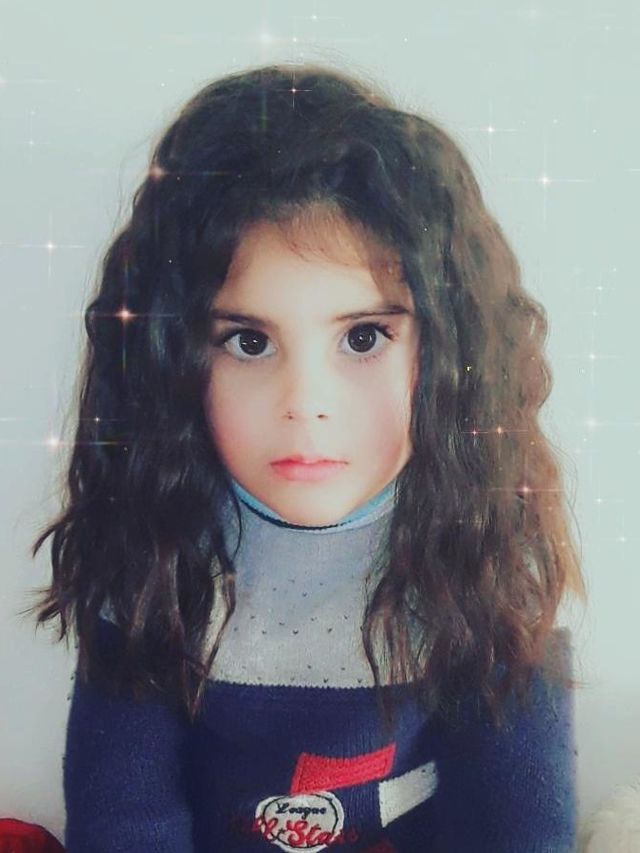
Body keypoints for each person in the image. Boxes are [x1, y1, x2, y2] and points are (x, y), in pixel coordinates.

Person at [23, 61, 587, 852]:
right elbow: (125, 819)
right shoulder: (152, 554)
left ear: (451, 351)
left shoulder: (489, 555)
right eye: (248, 342)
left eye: (364, 336)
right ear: (172, 360)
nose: (305, 401)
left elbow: (518, 827)